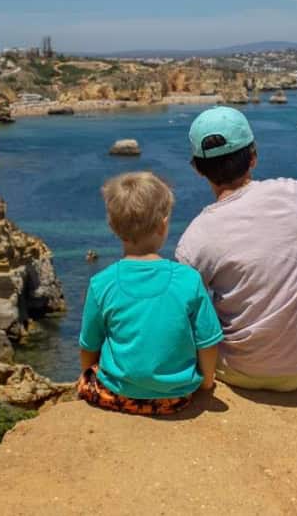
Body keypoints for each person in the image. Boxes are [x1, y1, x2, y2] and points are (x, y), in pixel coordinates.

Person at [176, 106, 297, 392]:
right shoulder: (289, 193)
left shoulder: (194, 239)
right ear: (253, 157)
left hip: (238, 371)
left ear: (198, 169)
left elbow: (183, 310)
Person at [78, 171, 223, 415]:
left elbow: (88, 346)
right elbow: (208, 343)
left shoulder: (100, 283)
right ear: (163, 225)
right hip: (176, 397)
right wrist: (206, 383)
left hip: (117, 394)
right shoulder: (188, 279)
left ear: (113, 227)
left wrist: (89, 374)